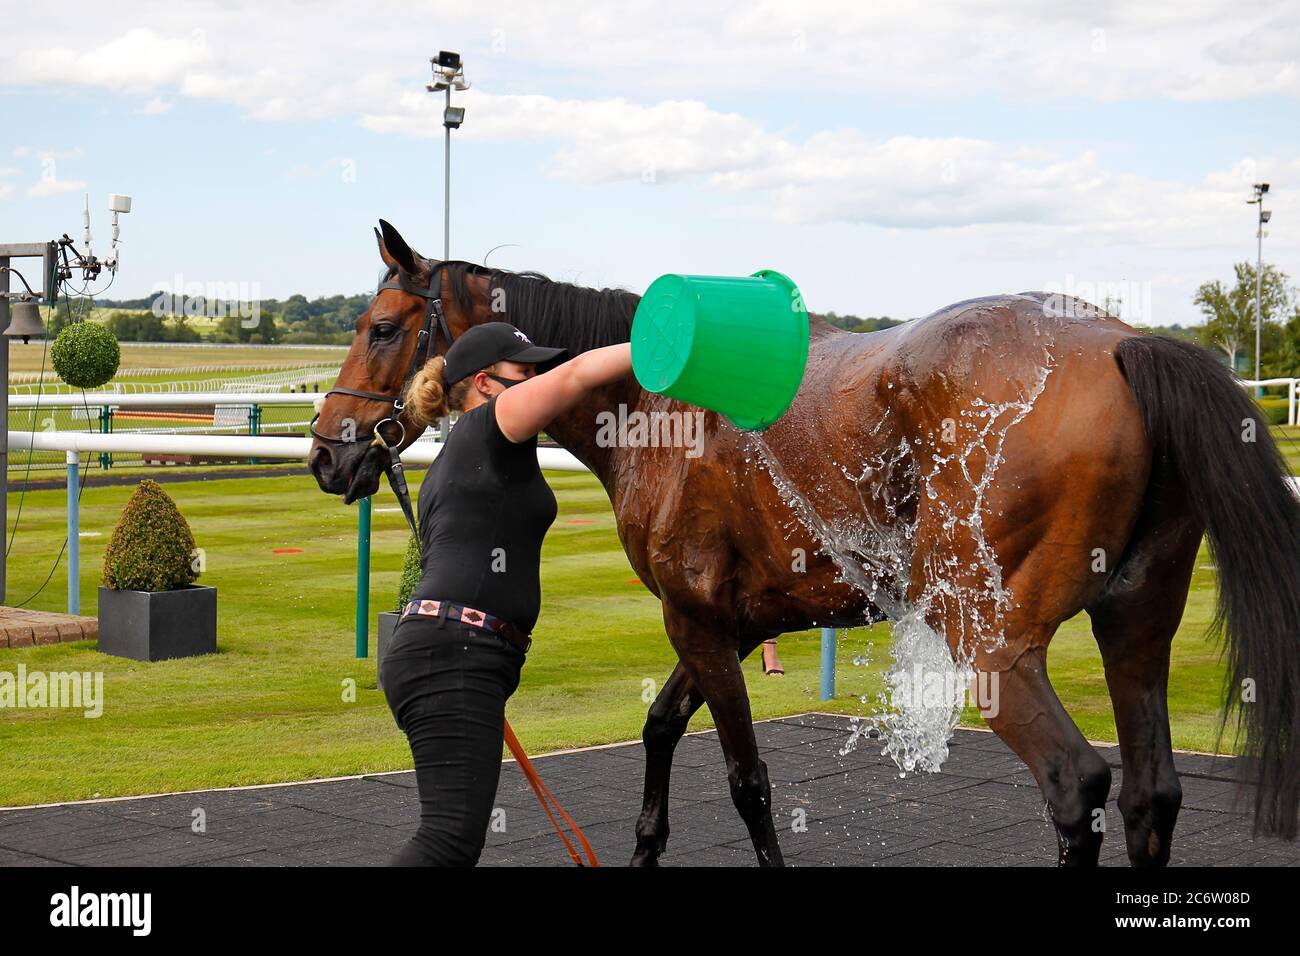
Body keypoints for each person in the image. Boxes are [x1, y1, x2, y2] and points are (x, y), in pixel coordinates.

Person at [380, 321, 631, 866]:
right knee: (446, 840)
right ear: (485, 384)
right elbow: (580, 374)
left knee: (452, 839)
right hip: (456, 655)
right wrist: (667, 339)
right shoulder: (491, 425)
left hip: (455, 652)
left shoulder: (466, 453)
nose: (536, 378)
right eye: (525, 371)